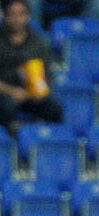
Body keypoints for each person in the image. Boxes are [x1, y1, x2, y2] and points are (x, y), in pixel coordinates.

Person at [0, 0, 63, 133]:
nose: (17, 19)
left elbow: (47, 73)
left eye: (21, 14)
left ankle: (46, 139)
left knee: (55, 109)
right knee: (6, 108)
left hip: (32, 94)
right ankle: (13, 144)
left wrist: (40, 91)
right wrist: (11, 91)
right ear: (4, 16)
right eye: (12, 14)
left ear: (28, 16)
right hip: (5, 93)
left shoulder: (38, 41)